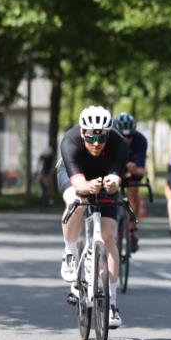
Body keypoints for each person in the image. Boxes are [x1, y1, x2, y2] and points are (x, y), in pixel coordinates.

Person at [58, 106, 129, 328]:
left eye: (101, 137)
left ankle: (112, 305)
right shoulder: (70, 141)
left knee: (109, 239)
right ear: (82, 133)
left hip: (103, 175)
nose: (96, 143)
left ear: (109, 133)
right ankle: (70, 252)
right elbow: (79, 185)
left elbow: (117, 178)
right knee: (77, 202)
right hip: (75, 175)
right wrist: (86, 187)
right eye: (91, 138)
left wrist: (112, 182)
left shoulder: (118, 143)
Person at [113, 112, 148, 253]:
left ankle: (132, 230)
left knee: (133, 192)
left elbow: (141, 170)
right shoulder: (111, 139)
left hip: (132, 173)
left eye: (130, 136)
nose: (127, 139)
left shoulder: (140, 140)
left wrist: (133, 169)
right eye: (123, 136)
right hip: (114, 170)